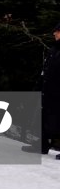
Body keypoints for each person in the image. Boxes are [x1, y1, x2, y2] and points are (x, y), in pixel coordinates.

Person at [23, 23, 60, 154]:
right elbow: (46, 71)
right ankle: (42, 145)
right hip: (48, 92)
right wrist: (39, 87)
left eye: (57, 31)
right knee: (44, 118)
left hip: (57, 93)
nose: (54, 33)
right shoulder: (54, 49)